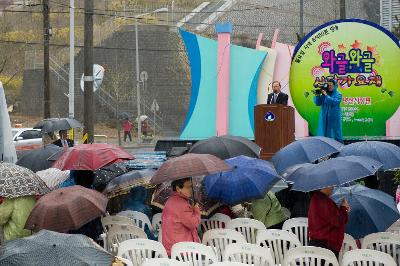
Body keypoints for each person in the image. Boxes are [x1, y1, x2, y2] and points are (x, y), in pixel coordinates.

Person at [162, 178, 201, 256]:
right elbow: (193, 223)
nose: (190, 189)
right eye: (187, 187)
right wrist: (196, 210)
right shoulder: (183, 205)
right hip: (182, 250)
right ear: (178, 188)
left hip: (169, 247)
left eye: (191, 187)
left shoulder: (170, 200)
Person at [308, 186, 350, 258]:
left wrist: (342, 209)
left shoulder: (316, 198)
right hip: (326, 246)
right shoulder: (323, 201)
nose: (333, 187)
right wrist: (343, 208)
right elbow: (338, 221)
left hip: (319, 243)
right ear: (324, 186)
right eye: (331, 185)